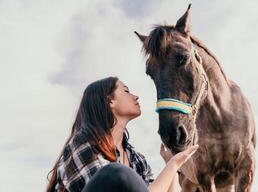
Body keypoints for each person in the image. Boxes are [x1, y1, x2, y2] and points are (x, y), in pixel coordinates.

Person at [46, 76, 198, 192]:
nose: (135, 96)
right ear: (110, 101)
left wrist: (170, 164)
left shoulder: (137, 159)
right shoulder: (83, 143)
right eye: (126, 91)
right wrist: (172, 165)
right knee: (115, 174)